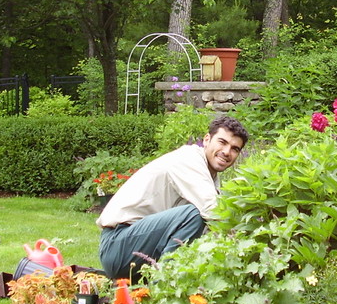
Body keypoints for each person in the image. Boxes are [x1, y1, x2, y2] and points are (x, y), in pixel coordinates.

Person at [96, 114, 249, 280]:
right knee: (194, 215)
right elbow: (213, 211)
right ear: (206, 140)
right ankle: (166, 285)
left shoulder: (210, 175)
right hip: (117, 245)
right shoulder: (189, 160)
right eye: (222, 142)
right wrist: (249, 238)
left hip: (137, 243)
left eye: (235, 149)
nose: (227, 152)